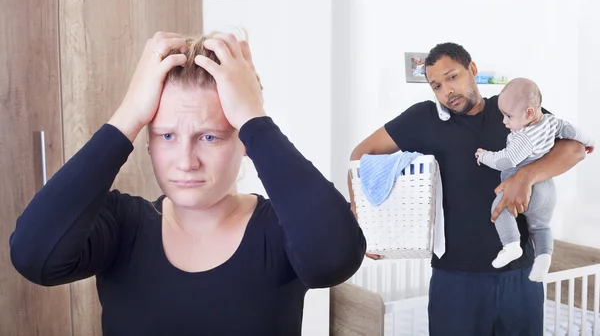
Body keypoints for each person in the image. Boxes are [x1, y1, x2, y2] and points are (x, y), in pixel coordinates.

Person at [10, 31, 366, 336]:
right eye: (166, 135)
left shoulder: (281, 227)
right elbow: (33, 256)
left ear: (245, 142)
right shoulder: (122, 225)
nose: (185, 161)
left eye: (209, 137)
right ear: (147, 139)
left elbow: (335, 256)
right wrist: (128, 115)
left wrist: (254, 118)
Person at [348, 42, 587, 335]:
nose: (446, 90)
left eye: (452, 77)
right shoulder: (424, 118)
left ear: (472, 70)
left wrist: (525, 177)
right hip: (455, 279)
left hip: (520, 274)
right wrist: (361, 217)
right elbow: (362, 154)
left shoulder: (511, 109)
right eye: (436, 85)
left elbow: (575, 149)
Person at [475, 77, 594, 282]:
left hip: (528, 191)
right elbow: (573, 132)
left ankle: (511, 245)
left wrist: (484, 156)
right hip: (547, 190)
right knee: (541, 227)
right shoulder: (552, 122)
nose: (504, 121)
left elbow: (506, 160)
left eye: (508, 116)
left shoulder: (523, 137)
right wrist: (589, 141)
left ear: (528, 113)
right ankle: (543, 259)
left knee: (500, 207)